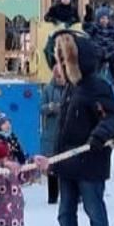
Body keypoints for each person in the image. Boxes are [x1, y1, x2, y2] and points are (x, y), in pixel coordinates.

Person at [51, 31, 114, 226]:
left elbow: (112, 117)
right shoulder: (71, 87)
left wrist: (99, 135)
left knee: (95, 213)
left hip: (90, 162)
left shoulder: (97, 86)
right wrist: (55, 157)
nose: (60, 64)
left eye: (64, 58)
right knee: (65, 214)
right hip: (67, 163)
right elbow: (63, 126)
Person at [84, 5, 114, 95]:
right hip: (99, 50)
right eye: (102, 18)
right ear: (98, 19)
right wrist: (87, 22)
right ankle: (93, 84)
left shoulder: (113, 29)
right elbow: (87, 33)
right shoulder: (95, 28)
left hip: (111, 51)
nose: (104, 21)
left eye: (106, 18)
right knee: (94, 66)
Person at [39, 64, 66, 205]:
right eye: (57, 76)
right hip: (52, 132)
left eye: (61, 75)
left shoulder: (71, 88)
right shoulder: (48, 90)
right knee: (52, 166)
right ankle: (52, 196)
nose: (59, 78)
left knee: (68, 165)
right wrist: (50, 107)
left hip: (67, 132)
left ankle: (71, 195)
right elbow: (41, 108)